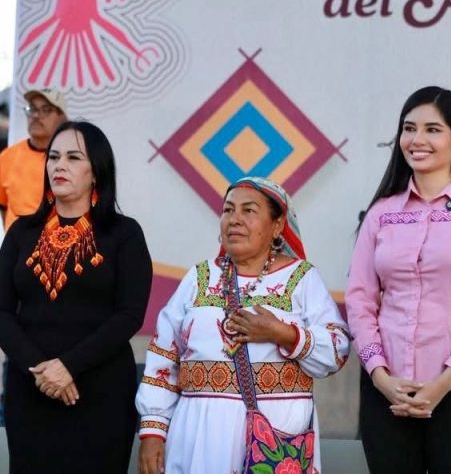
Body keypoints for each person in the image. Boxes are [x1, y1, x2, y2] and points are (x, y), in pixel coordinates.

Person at [347, 86, 451, 473]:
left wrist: (443, 383)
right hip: (387, 391)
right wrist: (381, 377)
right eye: (409, 128)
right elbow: (359, 301)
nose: (417, 140)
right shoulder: (381, 213)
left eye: (432, 130)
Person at [136, 177, 348, 474]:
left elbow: (337, 350)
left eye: (249, 210)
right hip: (198, 436)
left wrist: (282, 333)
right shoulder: (198, 277)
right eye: (228, 210)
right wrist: (153, 431)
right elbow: (163, 356)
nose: (234, 219)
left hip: (273, 438)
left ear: (277, 225)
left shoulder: (302, 278)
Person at [0, 120, 152, 473]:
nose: (59, 165)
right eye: (53, 157)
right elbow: (1, 311)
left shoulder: (123, 233)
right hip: (31, 389)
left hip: (98, 393)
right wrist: (41, 371)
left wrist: (69, 366)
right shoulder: (22, 231)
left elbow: (129, 314)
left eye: (73, 157)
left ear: (96, 172)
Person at [0, 88, 68, 230]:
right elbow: (4, 208)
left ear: (62, 118)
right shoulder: (7, 157)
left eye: (46, 110)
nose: (36, 115)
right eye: (32, 109)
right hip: (17, 242)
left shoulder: (72, 159)